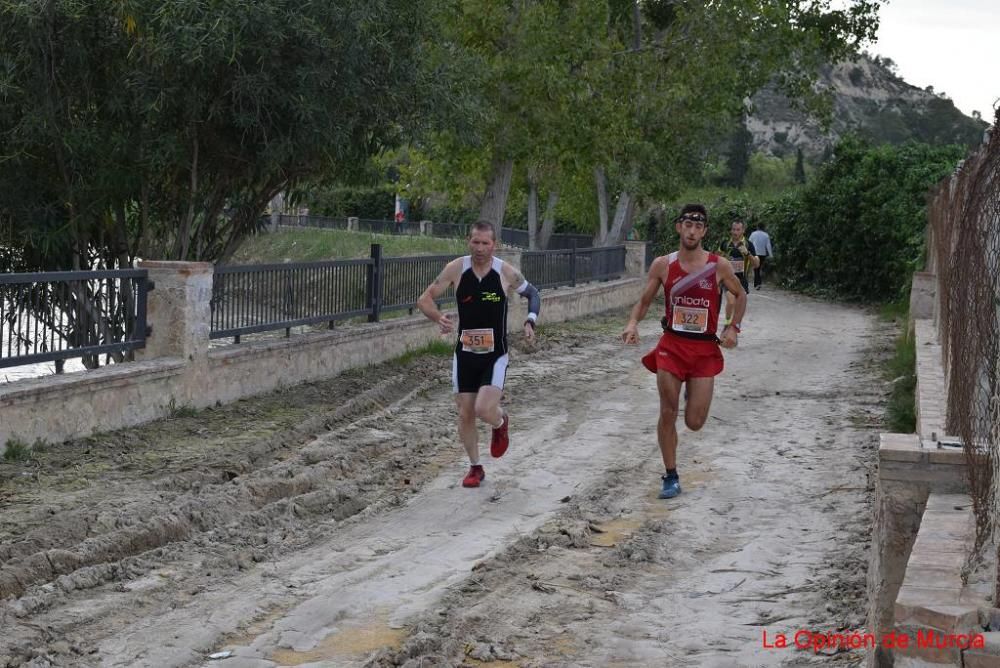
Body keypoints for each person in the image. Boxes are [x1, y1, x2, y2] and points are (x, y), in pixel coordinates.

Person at [621, 204, 746, 499]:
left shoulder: (719, 266)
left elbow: (739, 295)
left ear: (704, 231)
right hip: (672, 347)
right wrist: (632, 322)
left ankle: (692, 390)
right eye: (687, 225)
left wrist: (732, 328)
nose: (692, 231)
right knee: (667, 411)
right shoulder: (663, 265)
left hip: (703, 350)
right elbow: (644, 300)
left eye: (698, 226)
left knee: (694, 422)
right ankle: (671, 475)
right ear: (679, 227)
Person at [417, 221, 541, 488]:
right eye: (476, 242)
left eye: (486, 243)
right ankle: (475, 467)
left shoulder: (504, 272)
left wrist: (530, 320)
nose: (480, 248)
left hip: (495, 353)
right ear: (468, 241)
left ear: (494, 245)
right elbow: (425, 299)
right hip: (464, 353)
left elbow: (533, 294)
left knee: (483, 409)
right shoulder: (456, 269)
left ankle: (500, 421)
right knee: (465, 413)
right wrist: (439, 317)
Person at [717, 219, 759, 326]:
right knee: (731, 301)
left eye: (738, 230)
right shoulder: (725, 243)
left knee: (739, 304)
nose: (735, 232)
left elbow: (756, 264)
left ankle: (735, 323)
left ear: (743, 230)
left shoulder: (749, 244)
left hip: (742, 279)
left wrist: (747, 253)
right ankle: (727, 322)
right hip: (728, 278)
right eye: (733, 229)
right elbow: (716, 258)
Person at [748, 222, 773, 290]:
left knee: (756, 268)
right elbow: (768, 245)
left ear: (757, 227)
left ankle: (757, 283)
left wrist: (747, 252)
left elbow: (749, 243)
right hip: (762, 254)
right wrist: (771, 255)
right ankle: (758, 283)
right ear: (764, 228)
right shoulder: (766, 235)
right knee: (758, 267)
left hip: (755, 253)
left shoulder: (753, 234)